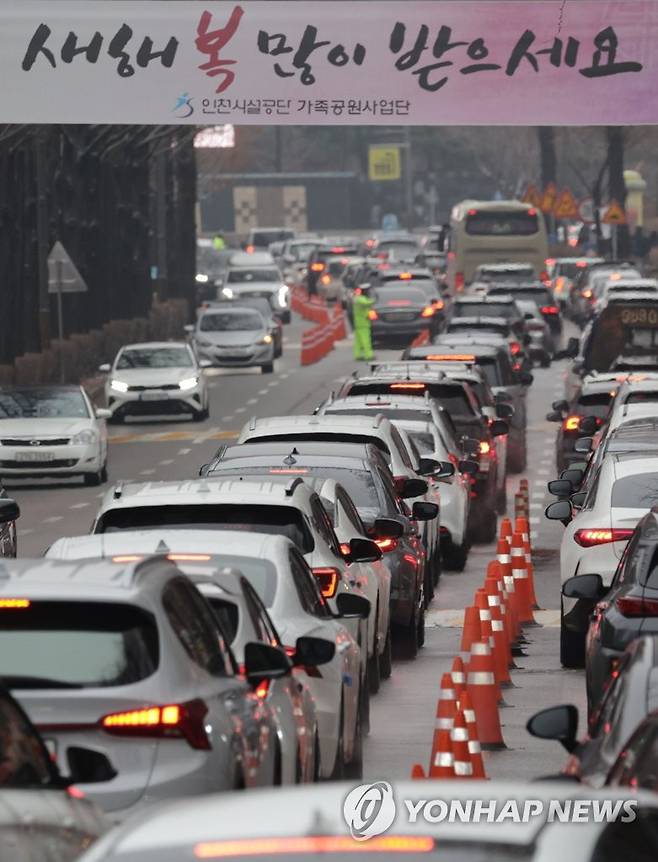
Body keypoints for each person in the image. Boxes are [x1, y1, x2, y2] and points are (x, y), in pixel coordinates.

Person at [352, 284, 375, 361]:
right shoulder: (361, 299)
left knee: (358, 341)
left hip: (359, 322)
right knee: (366, 340)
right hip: (363, 323)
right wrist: (374, 299)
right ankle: (368, 355)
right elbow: (367, 303)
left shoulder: (357, 298)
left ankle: (357, 355)